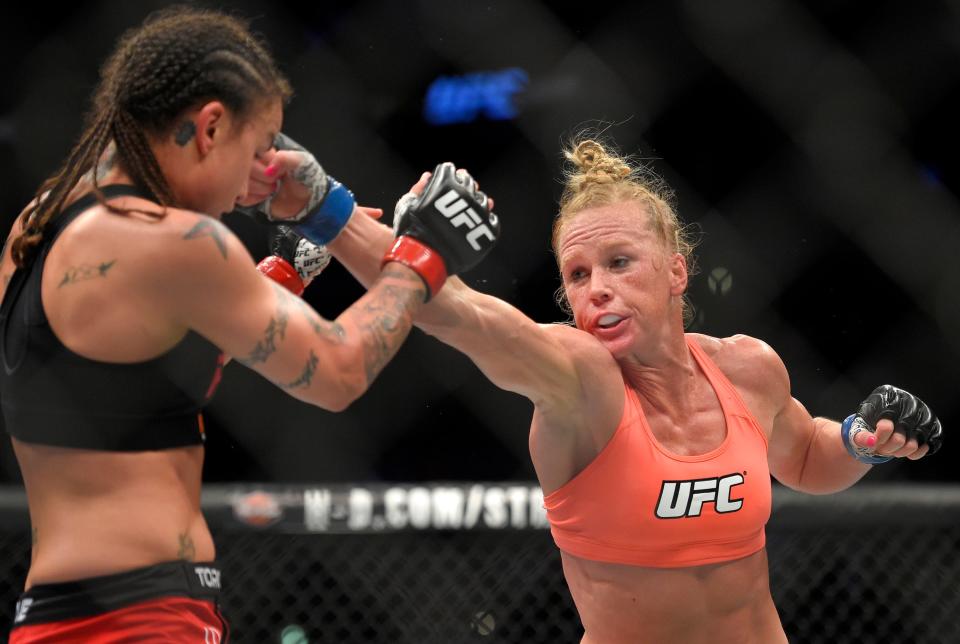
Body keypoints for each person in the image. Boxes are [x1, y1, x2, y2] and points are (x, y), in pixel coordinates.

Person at [285, 137, 943, 643]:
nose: (596, 287)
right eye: (576, 274)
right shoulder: (582, 385)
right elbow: (463, 314)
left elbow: (803, 456)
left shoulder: (747, 369)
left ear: (676, 271)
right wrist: (327, 206)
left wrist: (861, 439)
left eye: (619, 263)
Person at [0, 7, 497, 643]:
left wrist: (290, 260)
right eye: (258, 148)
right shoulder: (175, 243)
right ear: (209, 127)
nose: (253, 182)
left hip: (57, 615)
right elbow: (337, 371)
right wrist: (424, 253)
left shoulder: (42, 223)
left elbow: (140, 363)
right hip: (141, 620)